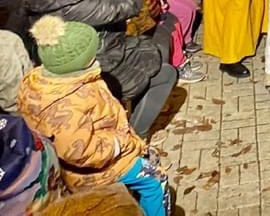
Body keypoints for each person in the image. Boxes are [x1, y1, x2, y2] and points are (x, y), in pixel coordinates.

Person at [14, 0, 176, 138]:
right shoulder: (72, 7)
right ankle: (135, 136)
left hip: (99, 51)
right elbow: (129, 6)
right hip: (99, 65)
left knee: (159, 47)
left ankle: (129, 111)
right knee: (166, 73)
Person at [18, 16, 171, 215]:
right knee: (156, 180)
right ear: (78, 61)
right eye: (92, 53)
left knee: (150, 159)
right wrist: (120, 143)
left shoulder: (45, 79)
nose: (97, 55)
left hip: (102, 154)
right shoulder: (66, 105)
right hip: (95, 171)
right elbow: (80, 152)